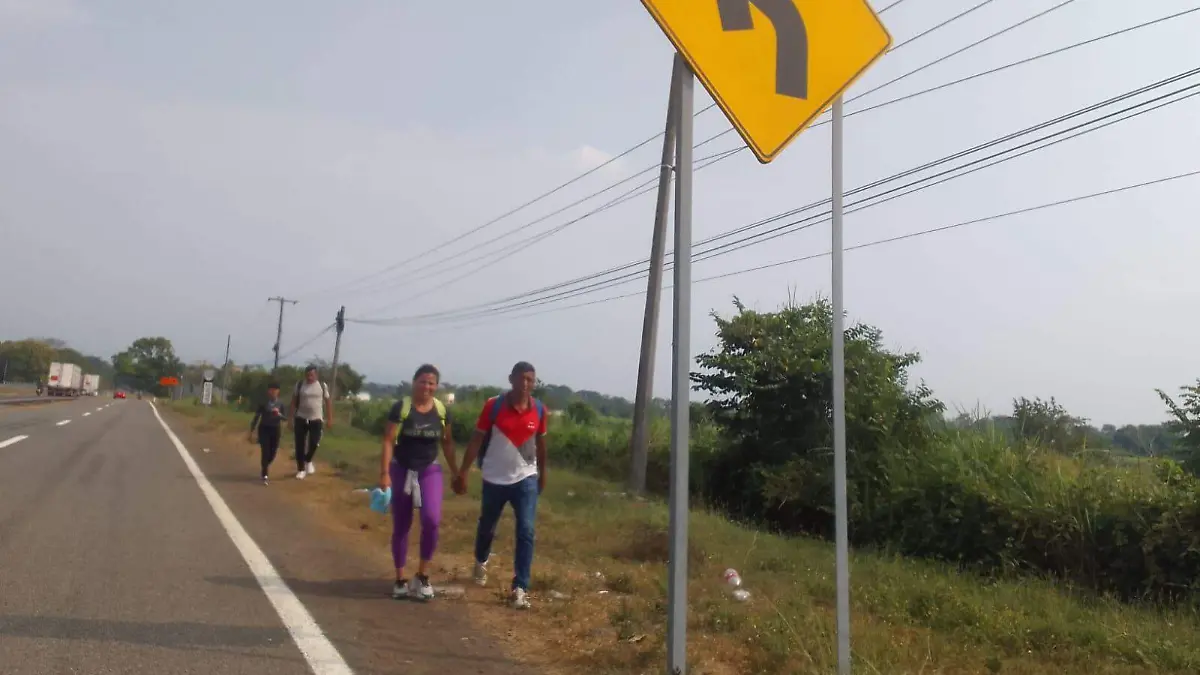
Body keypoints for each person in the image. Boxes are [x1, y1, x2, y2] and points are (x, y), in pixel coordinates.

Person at [454, 361, 547, 610]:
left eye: (531, 380)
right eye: (522, 378)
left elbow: (541, 444)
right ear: (511, 379)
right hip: (494, 477)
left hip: (526, 478)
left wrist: (543, 474)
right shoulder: (493, 406)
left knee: (526, 530)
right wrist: (463, 472)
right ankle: (481, 560)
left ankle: (520, 587)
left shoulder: (539, 409)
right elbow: (476, 439)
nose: (526, 384)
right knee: (487, 525)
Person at [379, 364, 459, 601]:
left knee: (432, 520)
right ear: (414, 382)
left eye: (432, 383)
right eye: (423, 381)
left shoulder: (441, 411)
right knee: (402, 525)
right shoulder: (402, 408)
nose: (427, 387)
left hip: (429, 469)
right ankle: (400, 579)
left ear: (436, 386)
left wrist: (456, 472)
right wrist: (384, 473)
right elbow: (387, 440)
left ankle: (422, 575)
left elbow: (447, 443)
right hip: (402, 468)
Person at [289, 365, 332, 480]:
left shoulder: (322, 386)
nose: (309, 377)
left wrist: (330, 418)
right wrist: (290, 419)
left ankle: (308, 460)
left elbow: (327, 402)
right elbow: (293, 402)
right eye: (307, 375)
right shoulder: (299, 385)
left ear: (316, 375)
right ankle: (301, 469)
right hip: (301, 417)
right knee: (300, 444)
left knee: (315, 442)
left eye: (312, 375)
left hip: (316, 418)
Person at [249, 382, 287, 485]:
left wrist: (279, 414)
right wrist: (252, 430)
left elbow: (285, 418)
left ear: (278, 391)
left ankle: (265, 464)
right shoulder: (263, 403)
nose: (272, 392)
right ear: (268, 391)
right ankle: (264, 474)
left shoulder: (281, 404)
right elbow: (257, 417)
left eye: (275, 390)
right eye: (271, 389)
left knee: (273, 453)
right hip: (264, 428)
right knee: (265, 451)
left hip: (275, 429)